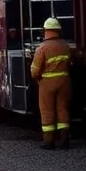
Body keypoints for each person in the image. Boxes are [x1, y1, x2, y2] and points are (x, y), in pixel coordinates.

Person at [31, 17, 73, 149]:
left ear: (45, 31)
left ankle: (49, 141)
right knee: (63, 109)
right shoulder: (65, 46)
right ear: (58, 31)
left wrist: (36, 77)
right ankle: (64, 139)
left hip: (47, 83)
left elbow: (35, 70)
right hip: (64, 81)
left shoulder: (42, 48)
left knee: (47, 110)